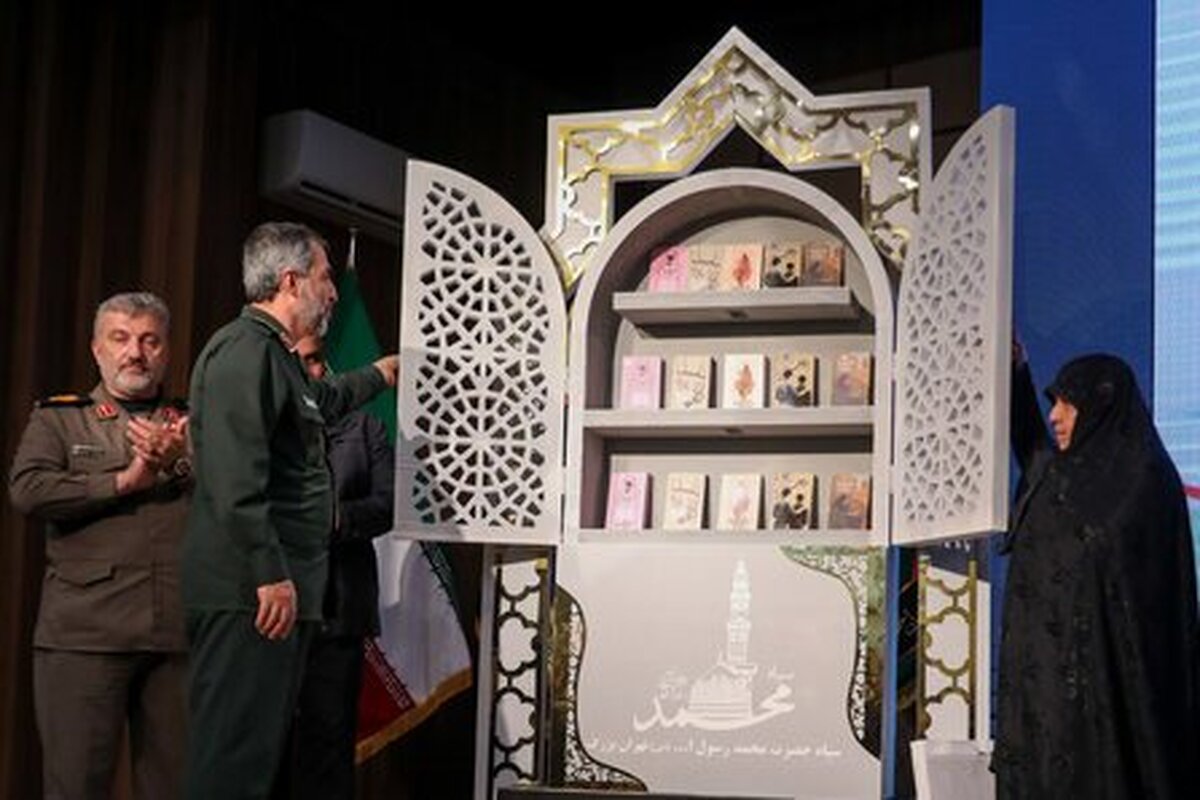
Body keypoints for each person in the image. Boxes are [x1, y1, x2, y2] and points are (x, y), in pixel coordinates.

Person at [182, 222, 398, 800]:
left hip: (276, 594)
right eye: (325, 278)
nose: (333, 293)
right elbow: (234, 479)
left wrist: (380, 374)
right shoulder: (243, 352)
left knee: (258, 763)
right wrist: (269, 572)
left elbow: (321, 400)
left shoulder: (276, 356)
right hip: (249, 596)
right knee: (232, 763)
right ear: (290, 281)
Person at [8, 291, 191, 800]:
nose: (136, 352)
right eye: (121, 338)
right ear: (97, 349)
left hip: (176, 636)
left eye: (150, 341)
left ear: (167, 351)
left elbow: (234, 500)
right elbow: (28, 490)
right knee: (76, 788)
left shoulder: (193, 423)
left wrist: (177, 461)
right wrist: (122, 482)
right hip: (85, 637)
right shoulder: (60, 418)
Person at [994, 348, 1200, 798]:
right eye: (1054, 402)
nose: (1055, 415)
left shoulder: (1144, 482)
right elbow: (1030, 440)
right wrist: (1015, 370)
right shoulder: (1059, 477)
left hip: (1110, 705)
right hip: (1042, 702)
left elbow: (1151, 608)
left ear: (1101, 403)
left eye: (1068, 402)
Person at [273, 334, 395, 800]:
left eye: (315, 360)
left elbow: (387, 506)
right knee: (270, 746)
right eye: (298, 362)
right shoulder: (263, 429)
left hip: (339, 609)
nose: (310, 371)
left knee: (328, 742)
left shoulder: (365, 428)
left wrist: (334, 518)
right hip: (273, 612)